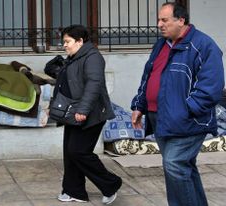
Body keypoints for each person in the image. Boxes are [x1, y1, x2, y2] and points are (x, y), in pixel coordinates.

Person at [130, 2, 224, 206]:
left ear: (181, 20)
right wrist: (139, 105)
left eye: (164, 20)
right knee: (183, 168)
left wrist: (187, 110)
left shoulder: (204, 45)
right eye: (158, 20)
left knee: (174, 164)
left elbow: (212, 87)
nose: (159, 25)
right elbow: (148, 76)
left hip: (187, 120)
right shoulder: (161, 44)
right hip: (160, 117)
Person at [45, 25, 122, 204]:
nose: (64, 45)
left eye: (67, 42)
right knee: (70, 152)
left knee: (78, 151)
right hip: (73, 112)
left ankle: (111, 184)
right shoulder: (74, 57)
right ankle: (74, 191)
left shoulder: (93, 57)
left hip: (91, 114)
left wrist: (83, 110)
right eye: (64, 41)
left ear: (80, 41)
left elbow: (93, 84)